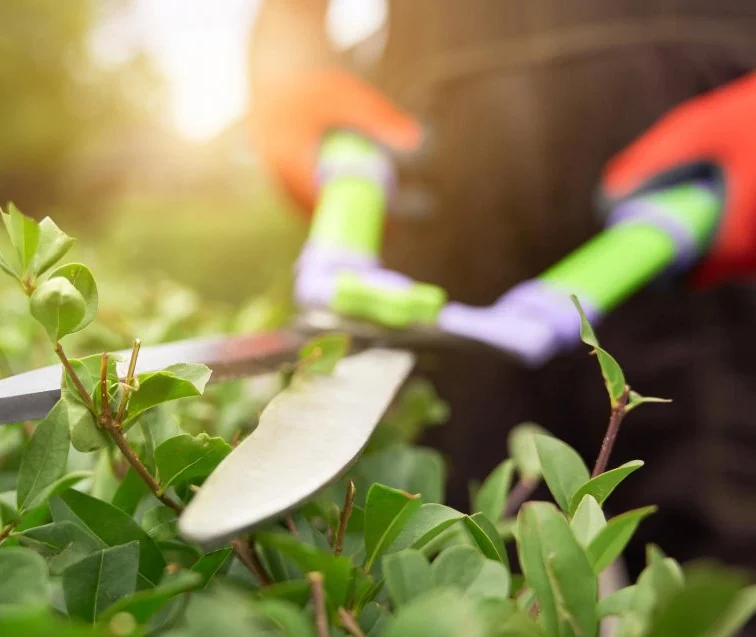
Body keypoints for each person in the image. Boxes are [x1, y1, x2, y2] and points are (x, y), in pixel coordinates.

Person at [247, 0, 756, 592]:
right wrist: (291, 69)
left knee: (727, 584)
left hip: (703, 129)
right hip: (443, 166)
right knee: (440, 566)